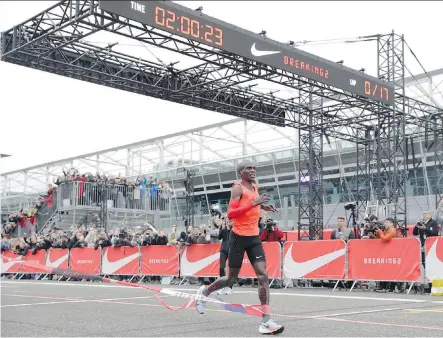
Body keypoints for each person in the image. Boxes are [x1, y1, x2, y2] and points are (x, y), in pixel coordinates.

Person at [195, 160, 284, 335]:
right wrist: (254, 203)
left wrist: (262, 205)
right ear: (240, 172)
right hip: (238, 238)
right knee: (230, 279)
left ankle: (266, 321)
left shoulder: (254, 186)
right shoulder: (237, 188)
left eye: (254, 168)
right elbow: (231, 213)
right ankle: (205, 292)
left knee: (263, 276)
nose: (252, 170)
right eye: (248, 168)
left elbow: (251, 203)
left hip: (254, 238)